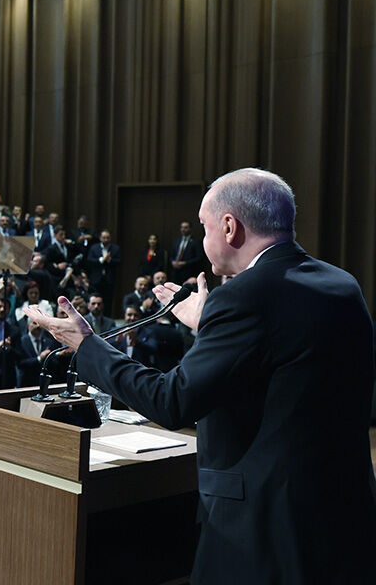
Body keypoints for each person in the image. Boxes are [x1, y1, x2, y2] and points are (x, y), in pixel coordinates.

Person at [24, 168, 376, 583]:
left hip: (262, 534)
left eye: (205, 226)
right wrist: (211, 322)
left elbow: (171, 401)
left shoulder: (245, 296)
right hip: (342, 518)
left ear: (229, 226)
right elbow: (283, 362)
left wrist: (87, 346)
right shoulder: (340, 283)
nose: (204, 240)